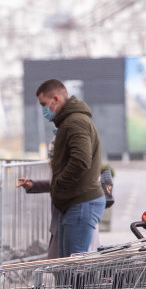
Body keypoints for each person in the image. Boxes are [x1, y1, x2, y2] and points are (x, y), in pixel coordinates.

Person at [35, 79, 105, 258]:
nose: (43, 109)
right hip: (76, 203)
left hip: (80, 203)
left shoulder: (75, 122)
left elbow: (80, 160)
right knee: (67, 269)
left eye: (44, 104)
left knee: (73, 273)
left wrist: (59, 184)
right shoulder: (70, 121)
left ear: (56, 99)